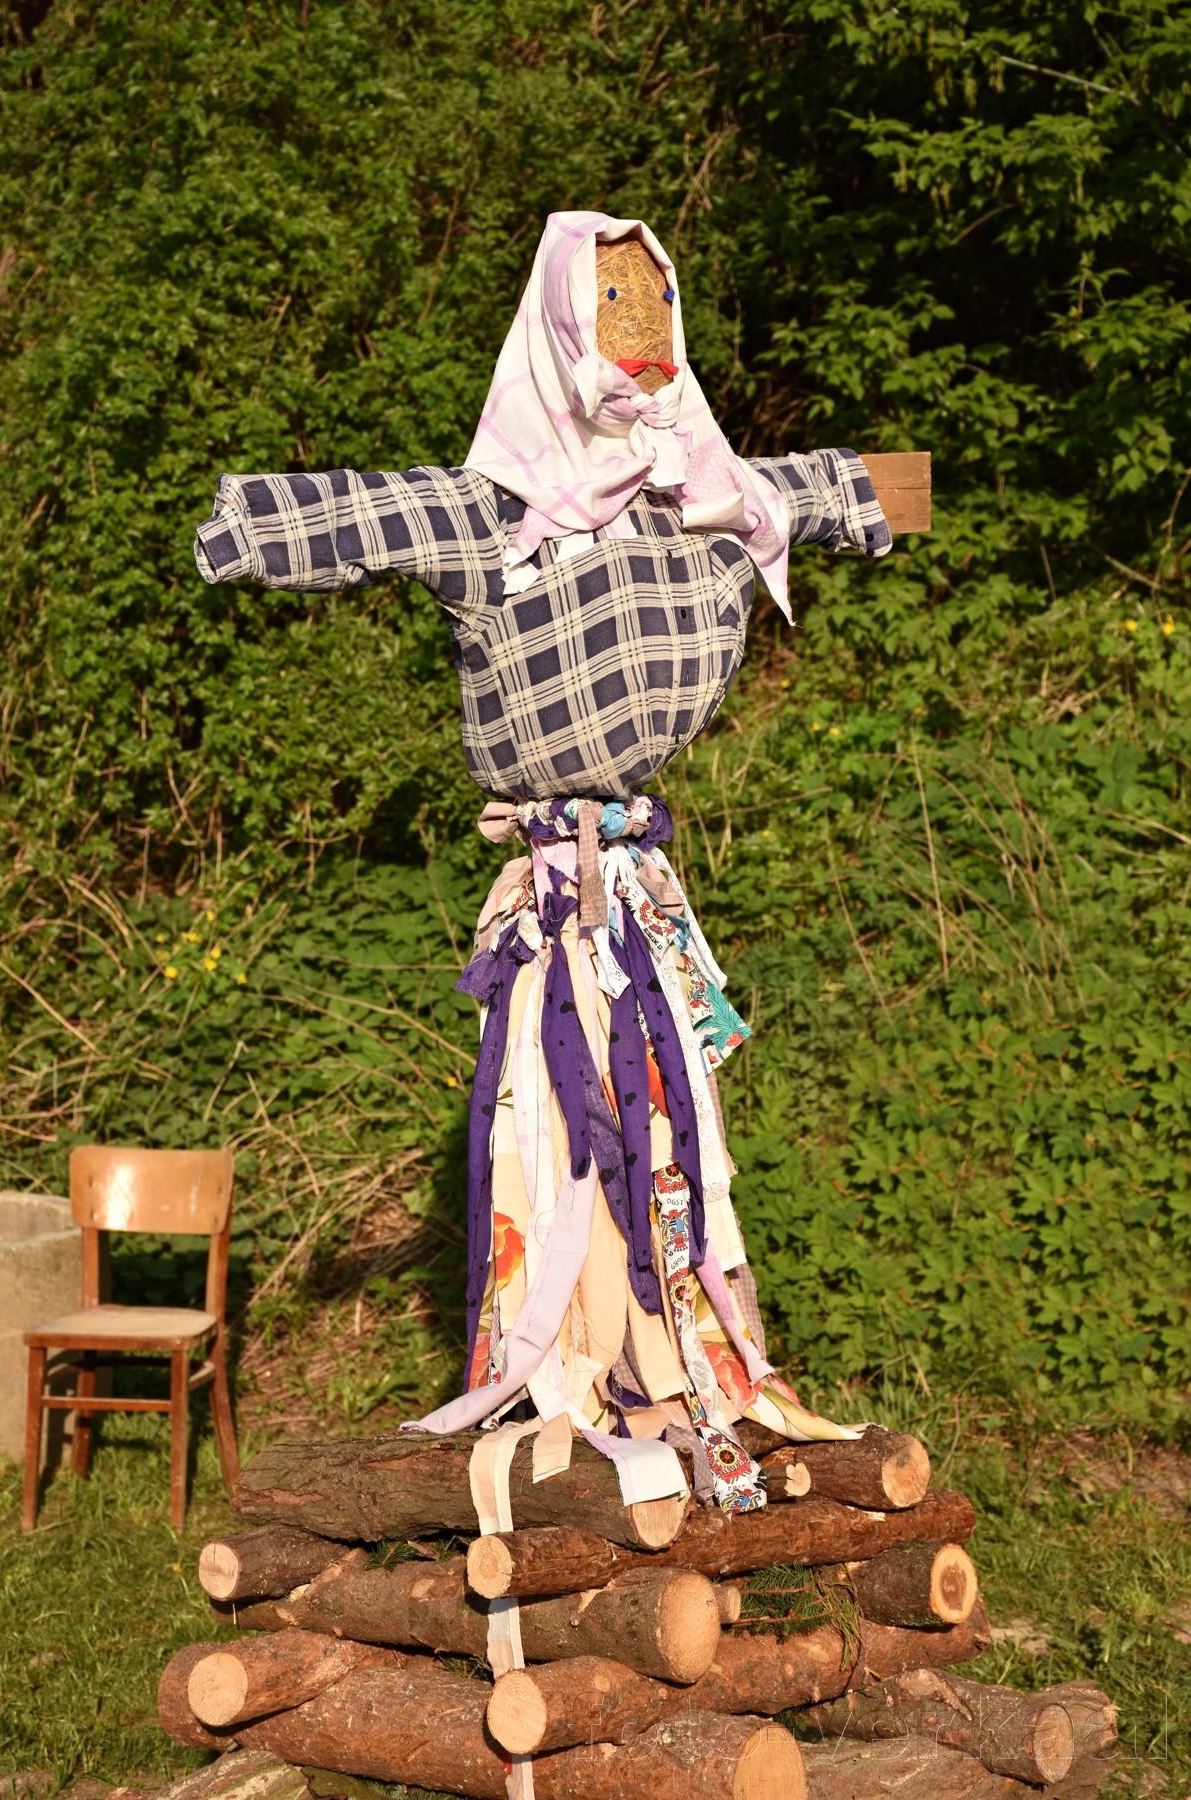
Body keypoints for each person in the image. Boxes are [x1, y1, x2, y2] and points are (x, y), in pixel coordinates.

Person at [195, 210, 892, 1514]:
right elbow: (367, 517)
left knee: (661, 1120)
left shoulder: (702, 498)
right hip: (560, 906)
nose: (643, 329)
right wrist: (238, 523)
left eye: (657, 299)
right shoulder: (496, 522)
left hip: (633, 891)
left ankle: (672, 1362)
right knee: (559, 1124)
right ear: (564, 323)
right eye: (613, 300)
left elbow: (832, 491)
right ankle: (572, 1368)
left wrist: (883, 492)